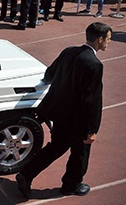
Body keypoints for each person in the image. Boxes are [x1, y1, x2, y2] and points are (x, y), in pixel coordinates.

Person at [16, 22, 112, 198]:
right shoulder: (94, 65)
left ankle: (26, 174)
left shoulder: (68, 51)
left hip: (59, 113)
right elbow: (92, 100)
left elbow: (50, 74)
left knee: (56, 147)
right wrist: (92, 129)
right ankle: (71, 185)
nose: (109, 43)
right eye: (108, 39)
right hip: (78, 119)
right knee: (80, 153)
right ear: (100, 39)